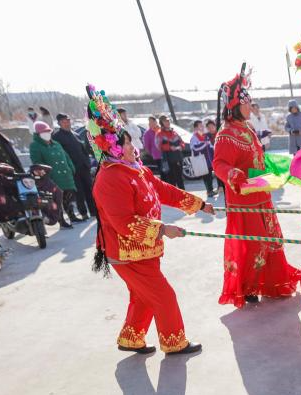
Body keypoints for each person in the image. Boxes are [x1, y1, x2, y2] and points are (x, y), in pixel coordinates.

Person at [87, 85, 211, 356]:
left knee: (143, 297)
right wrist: (163, 229)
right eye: (126, 143)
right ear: (111, 147)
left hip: (143, 250)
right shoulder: (110, 178)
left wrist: (199, 204)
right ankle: (174, 342)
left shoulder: (135, 169)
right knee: (163, 296)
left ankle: (131, 339)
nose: (133, 147)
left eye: (130, 141)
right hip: (127, 253)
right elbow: (124, 222)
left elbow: (163, 190)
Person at [214, 65, 300, 306]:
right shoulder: (226, 133)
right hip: (244, 201)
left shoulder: (247, 128)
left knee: (272, 240)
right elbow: (219, 163)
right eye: (246, 103)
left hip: (261, 194)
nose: (250, 107)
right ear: (235, 105)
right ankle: (248, 286)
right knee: (253, 244)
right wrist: (232, 173)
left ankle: (272, 282)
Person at [29, 121, 78, 226]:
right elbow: (37, 162)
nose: (47, 134)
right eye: (44, 132)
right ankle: (61, 220)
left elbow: (66, 157)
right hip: (53, 176)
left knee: (68, 196)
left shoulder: (56, 144)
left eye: (48, 132)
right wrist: (45, 174)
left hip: (65, 175)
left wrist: (71, 168)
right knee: (57, 199)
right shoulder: (35, 146)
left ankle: (72, 216)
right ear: (38, 134)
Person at [53, 113, 96, 220]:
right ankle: (83, 213)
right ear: (59, 123)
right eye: (63, 122)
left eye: (68, 121)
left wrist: (87, 162)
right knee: (79, 192)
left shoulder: (75, 134)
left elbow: (84, 150)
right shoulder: (57, 137)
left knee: (90, 189)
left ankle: (93, 211)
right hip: (72, 168)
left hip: (84, 166)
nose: (67, 124)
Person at [155, 115, 186, 190]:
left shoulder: (174, 132)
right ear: (161, 123)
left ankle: (183, 194)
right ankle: (174, 195)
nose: (167, 122)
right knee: (171, 179)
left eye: (168, 121)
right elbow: (158, 146)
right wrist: (169, 147)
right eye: (165, 121)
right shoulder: (159, 133)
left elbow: (182, 142)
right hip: (168, 159)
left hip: (178, 157)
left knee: (180, 178)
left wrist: (181, 146)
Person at [189, 120, 215, 197]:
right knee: (206, 176)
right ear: (196, 128)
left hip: (209, 159)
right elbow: (194, 148)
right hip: (202, 160)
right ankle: (209, 191)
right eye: (200, 126)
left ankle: (211, 190)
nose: (202, 127)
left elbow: (210, 146)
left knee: (210, 175)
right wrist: (204, 144)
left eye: (202, 125)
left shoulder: (205, 136)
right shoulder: (194, 137)